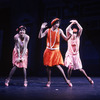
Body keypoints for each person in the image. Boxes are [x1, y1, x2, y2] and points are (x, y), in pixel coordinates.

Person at [38, 18, 72, 87]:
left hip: (56, 51)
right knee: (48, 67)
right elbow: (40, 37)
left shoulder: (60, 31)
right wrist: (41, 29)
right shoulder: (48, 30)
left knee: (58, 66)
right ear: (53, 24)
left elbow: (66, 39)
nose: (57, 25)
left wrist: (70, 35)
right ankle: (49, 81)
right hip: (48, 51)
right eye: (56, 23)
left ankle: (66, 80)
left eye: (58, 23)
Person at [64, 20, 94, 85]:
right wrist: (72, 24)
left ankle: (88, 78)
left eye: (75, 33)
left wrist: (76, 22)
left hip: (76, 55)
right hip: (69, 54)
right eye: (73, 33)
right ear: (71, 33)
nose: (74, 34)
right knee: (70, 67)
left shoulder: (78, 37)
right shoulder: (69, 37)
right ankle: (68, 79)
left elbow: (81, 29)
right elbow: (67, 29)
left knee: (80, 69)